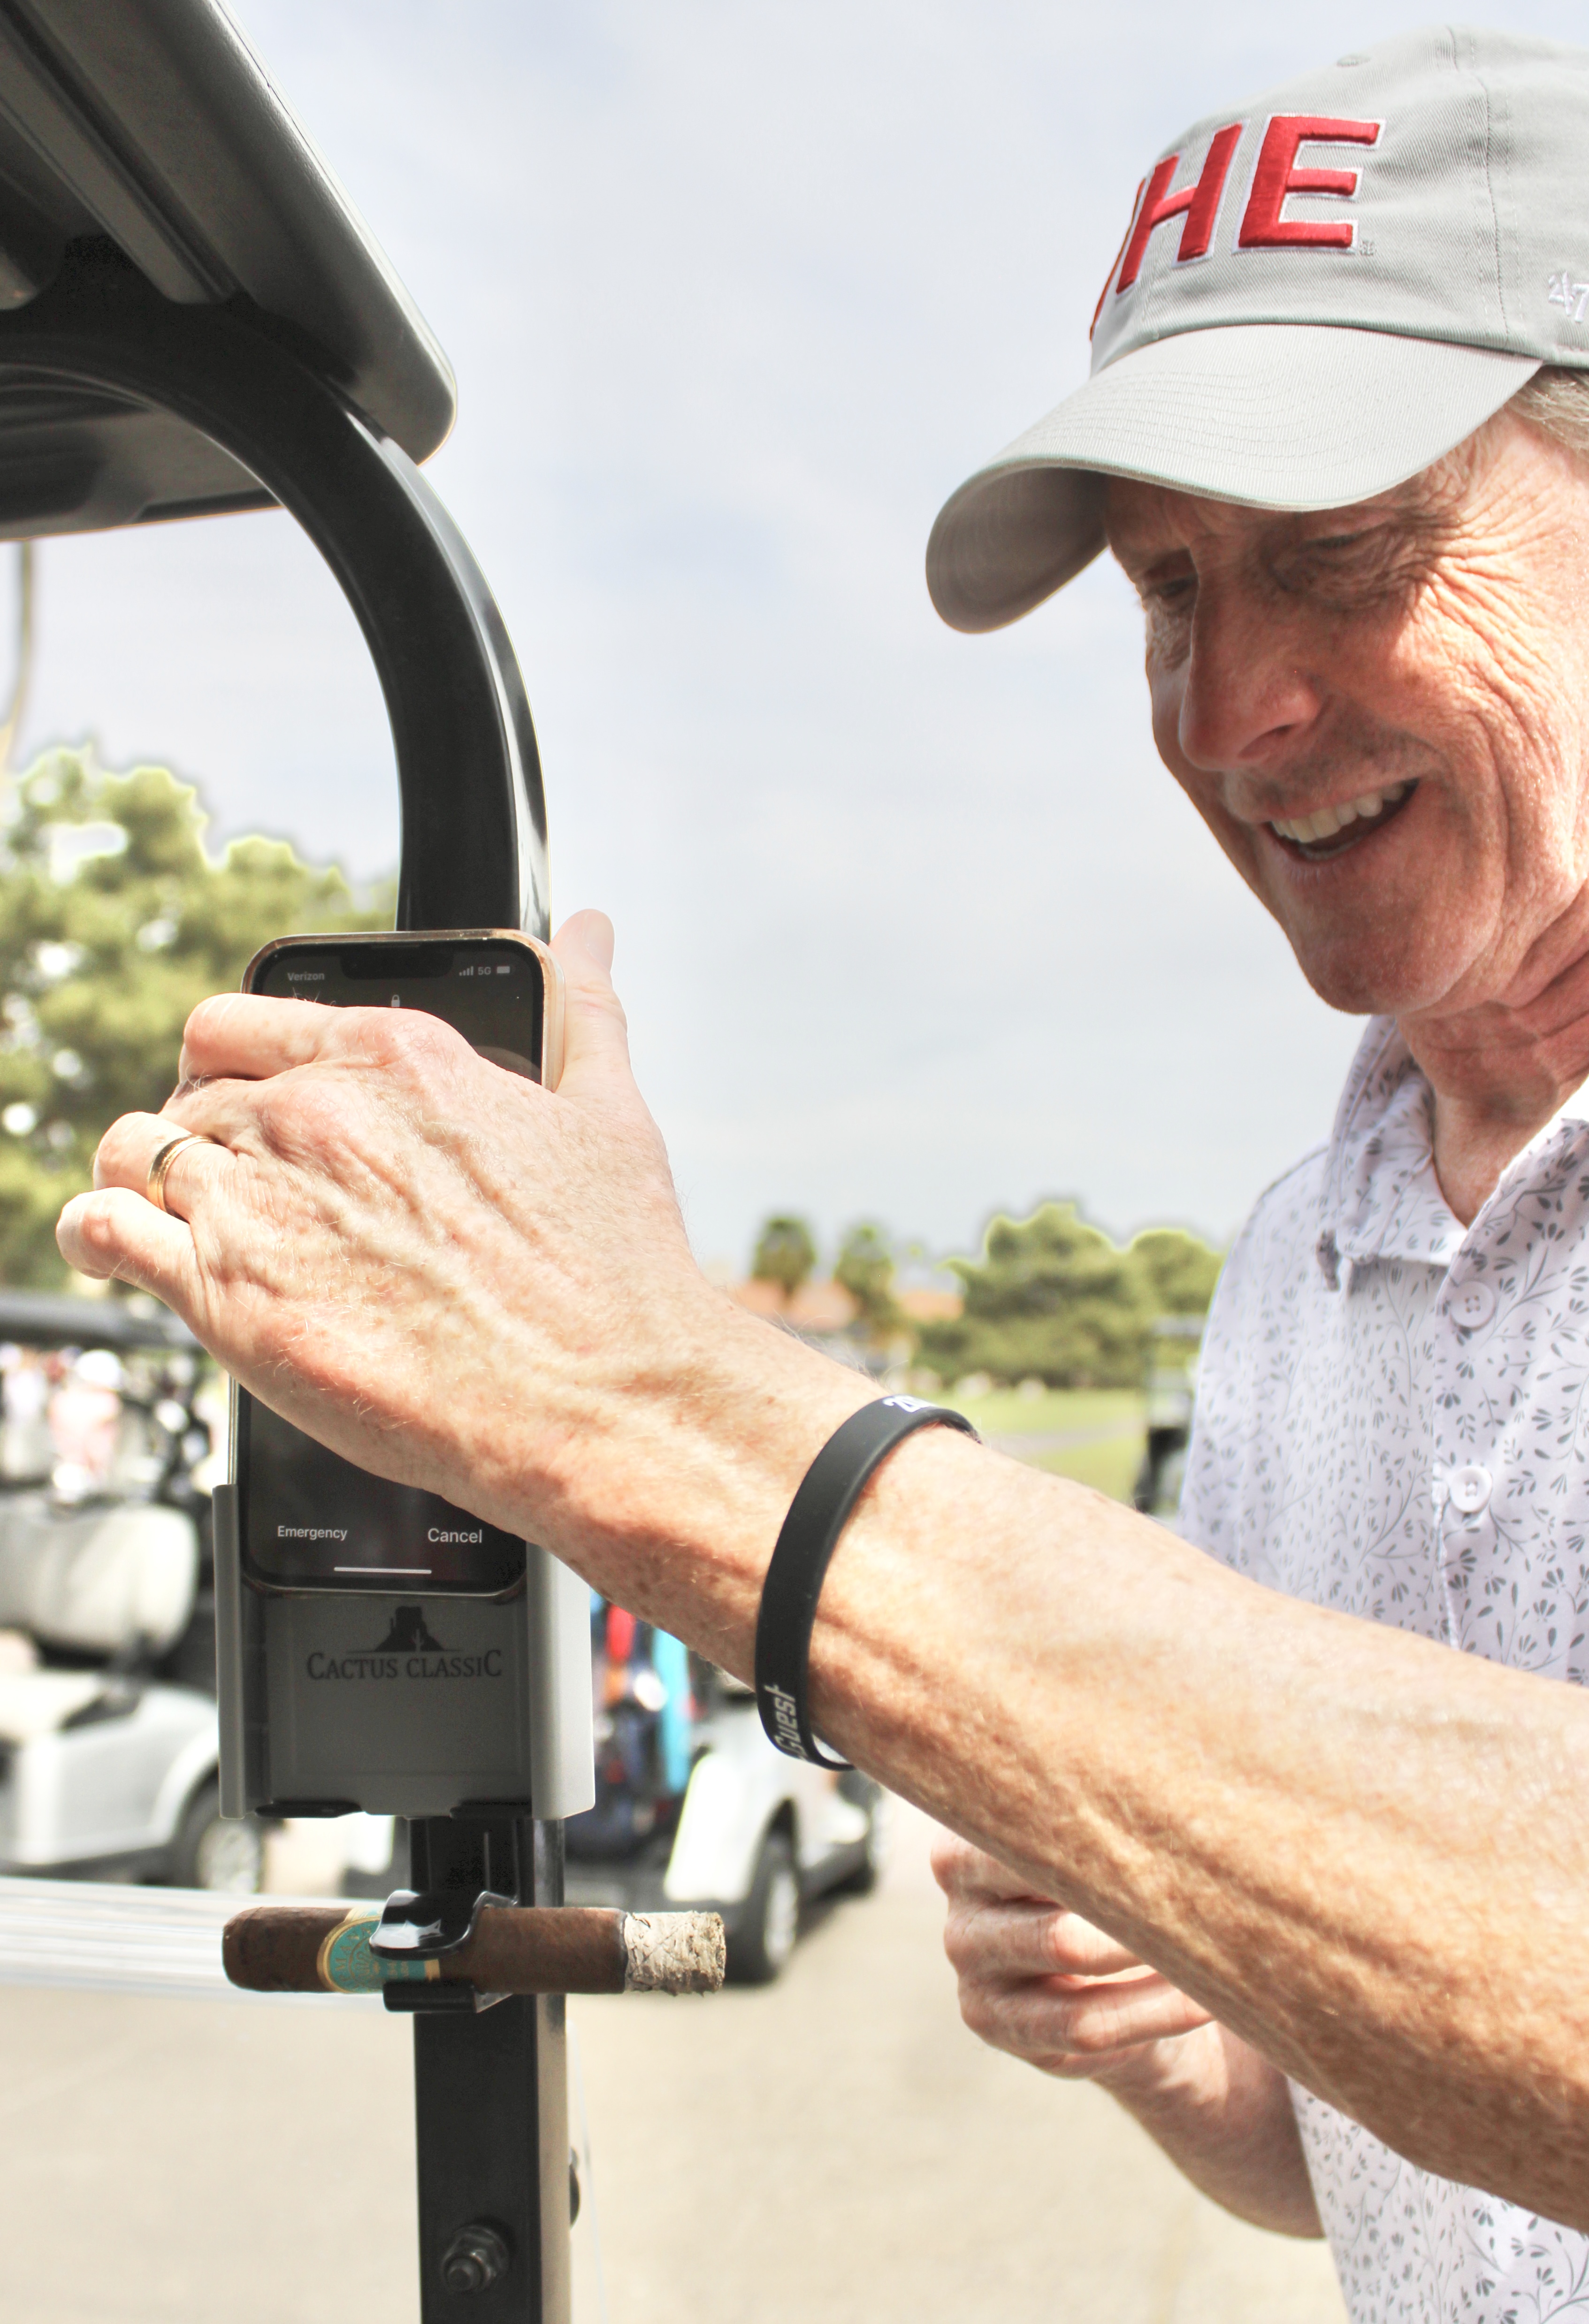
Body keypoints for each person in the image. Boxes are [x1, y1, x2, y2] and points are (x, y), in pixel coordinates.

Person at [49, 24, 1589, 2322]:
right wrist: (1188, 2041)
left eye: (1343, 546)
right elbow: (1414, 2143)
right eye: (1168, 588)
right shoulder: (1300, 1265)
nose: (1221, 708)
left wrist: (651, 1404)